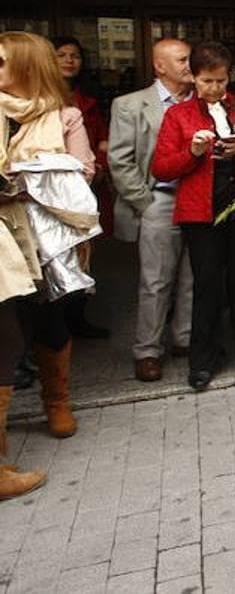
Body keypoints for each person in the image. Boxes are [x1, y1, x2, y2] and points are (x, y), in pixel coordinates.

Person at [0, 32, 100, 498]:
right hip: (3, 238)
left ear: (25, 65)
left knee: (47, 317)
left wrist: (29, 176)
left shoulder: (63, 114)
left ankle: (56, 402)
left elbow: (84, 169)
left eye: (2, 62)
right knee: (7, 331)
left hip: (44, 237)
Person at [151, 42, 235, 391]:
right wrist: (191, 152)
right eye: (207, 81)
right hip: (201, 212)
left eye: (221, 81)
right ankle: (203, 361)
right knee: (205, 287)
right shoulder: (178, 115)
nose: (215, 89)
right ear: (193, 77)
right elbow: (160, 167)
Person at [108, 38, 195, 383]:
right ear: (160, 66)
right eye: (182, 60)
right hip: (158, 199)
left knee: (193, 276)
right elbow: (120, 161)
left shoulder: (202, 101)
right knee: (156, 280)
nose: (190, 66)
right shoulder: (130, 105)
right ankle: (147, 351)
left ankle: (185, 340)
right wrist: (145, 203)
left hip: (198, 198)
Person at [51, 36, 110, 339]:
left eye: (74, 55)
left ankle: (77, 318)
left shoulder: (87, 96)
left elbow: (101, 135)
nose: (69, 60)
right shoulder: (42, 96)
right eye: (61, 55)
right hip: (54, 188)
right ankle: (54, 327)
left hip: (87, 182)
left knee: (84, 253)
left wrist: (99, 164)